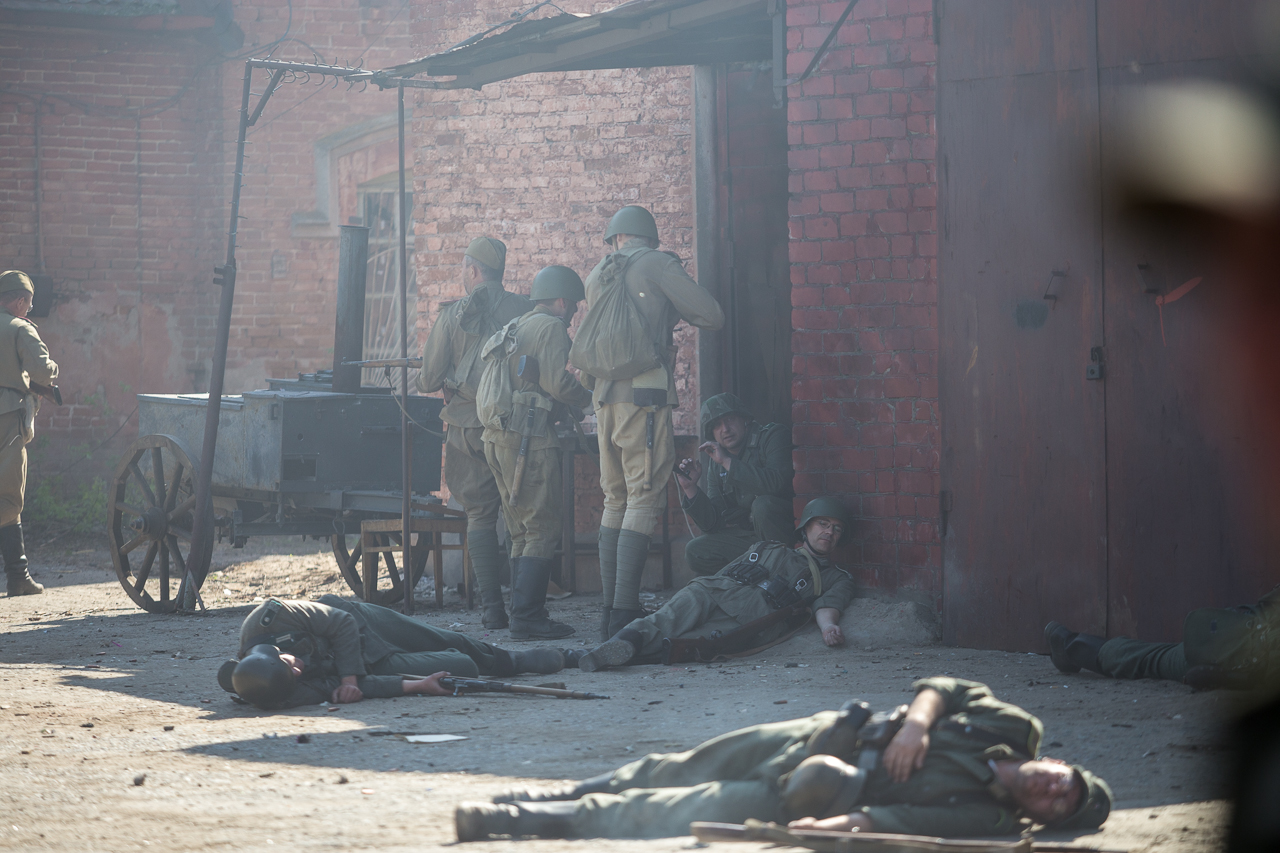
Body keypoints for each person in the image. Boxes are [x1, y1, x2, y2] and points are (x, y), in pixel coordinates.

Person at [453, 676, 1112, 840]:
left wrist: (830, 828)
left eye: (1061, 804)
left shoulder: (988, 820)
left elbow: (892, 822)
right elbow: (945, 687)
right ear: (1065, 764)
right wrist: (916, 726)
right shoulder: (1018, 728)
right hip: (826, 733)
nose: (1054, 788)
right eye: (1069, 782)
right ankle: (550, 793)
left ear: (1044, 817)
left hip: (816, 790)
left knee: (668, 808)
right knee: (676, 765)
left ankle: (509, 820)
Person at [577, 205, 724, 639]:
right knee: (643, 497)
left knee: (615, 497)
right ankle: (624, 611)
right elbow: (711, 315)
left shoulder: (596, 274)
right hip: (643, 397)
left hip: (603, 396)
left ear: (614, 238)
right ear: (650, 237)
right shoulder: (657, 264)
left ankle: (610, 611)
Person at [575, 497, 855, 673]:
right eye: (823, 524)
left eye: (836, 529)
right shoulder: (768, 547)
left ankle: (584, 656)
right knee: (664, 619)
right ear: (806, 527)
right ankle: (614, 646)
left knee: (685, 644)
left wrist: (828, 628)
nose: (829, 532)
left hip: (749, 617)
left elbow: (827, 606)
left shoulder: (835, 577)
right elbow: (728, 572)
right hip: (711, 591)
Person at [417, 238, 533, 630]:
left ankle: (492, 609)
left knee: (480, 516)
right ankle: (524, 609)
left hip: (467, 427)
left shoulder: (452, 315)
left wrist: (449, 380)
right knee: (519, 514)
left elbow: (427, 379)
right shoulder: (524, 310)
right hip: (514, 426)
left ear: (473, 270)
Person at [478, 265, 594, 639]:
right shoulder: (551, 327)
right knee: (542, 525)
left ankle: (521, 615)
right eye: (572, 305)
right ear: (560, 301)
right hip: (528, 438)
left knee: (520, 529)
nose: (573, 313)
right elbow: (558, 383)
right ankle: (528, 617)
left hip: (498, 438)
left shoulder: (518, 325)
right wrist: (588, 400)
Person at [218, 595, 567, 710]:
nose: (298, 671)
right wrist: (419, 686)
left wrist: (348, 678)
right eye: (294, 678)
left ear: (271, 652)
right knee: (463, 666)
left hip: (361, 624)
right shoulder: (282, 692)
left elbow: (340, 623)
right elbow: (339, 688)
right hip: (367, 667)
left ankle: (514, 660)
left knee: (445, 638)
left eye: (289, 665)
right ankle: (489, 662)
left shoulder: (267, 618)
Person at [1045, 585, 1280, 690]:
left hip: (1242, 655)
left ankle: (1071, 647)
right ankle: (1070, 648)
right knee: (1150, 658)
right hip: (1239, 644)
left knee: (1150, 659)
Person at [675, 392, 794, 576]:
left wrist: (728, 462)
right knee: (695, 551)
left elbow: (776, 482)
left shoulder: (772, 435)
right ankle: (745, 582)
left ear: (744, 419)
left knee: (763, 506)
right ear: (712, 434)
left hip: (781, 536)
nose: (725, 429)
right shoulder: (717, 462)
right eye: (717, 425)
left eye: (730, 419)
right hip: (749, 540)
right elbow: (712, 525)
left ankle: (783, 575)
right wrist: (690, 489)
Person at [0, 271, 58, 597]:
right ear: (20, 301)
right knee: (9, 497)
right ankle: (18, 577)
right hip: (7, 419)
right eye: (30, 305)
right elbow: (41, 370)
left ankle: (18, 577)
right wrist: (53, 371)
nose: (29, 311)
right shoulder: (19, 328)